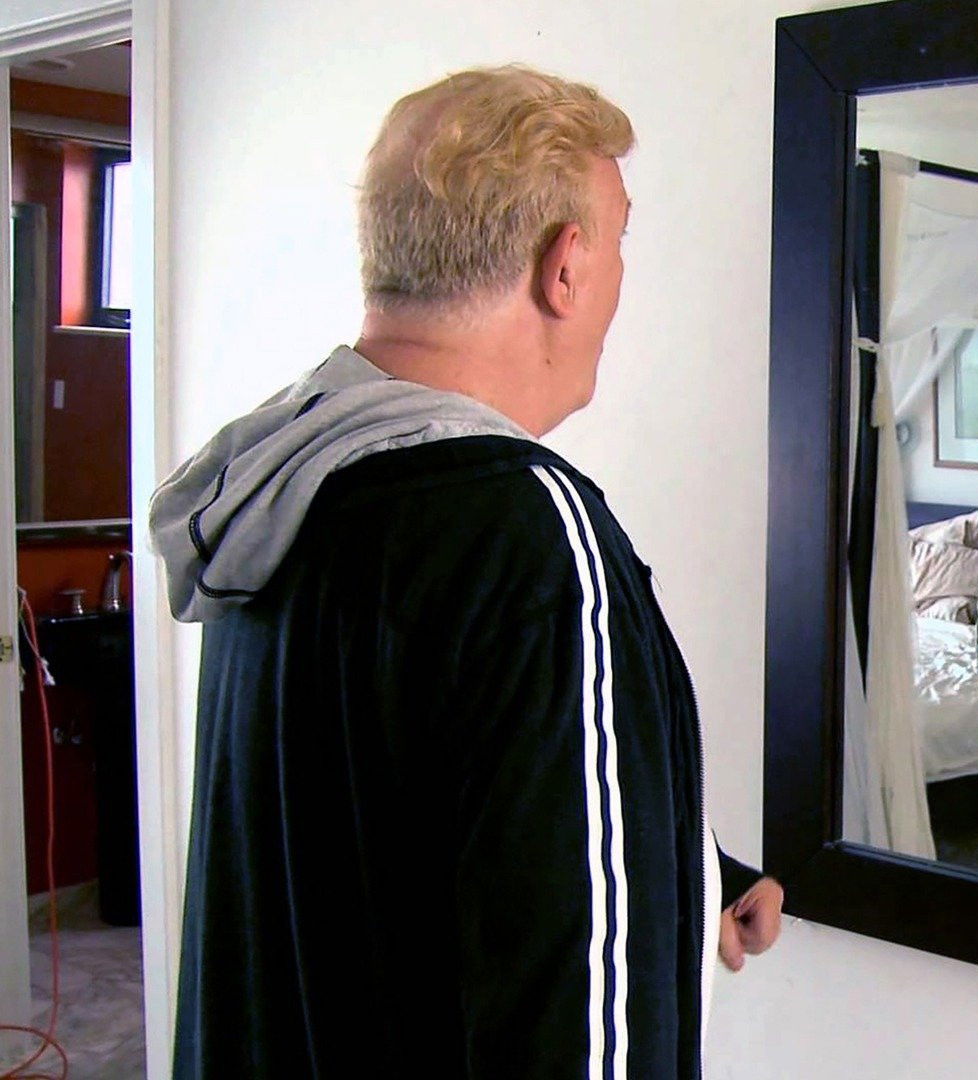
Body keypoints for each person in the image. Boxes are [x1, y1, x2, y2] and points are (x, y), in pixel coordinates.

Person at [150, 66, 780, 1078]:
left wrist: (684, 869)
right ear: (565, 268)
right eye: (620, 239)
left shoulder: (283, 493)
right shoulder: (533, 542)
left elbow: (379, 821)